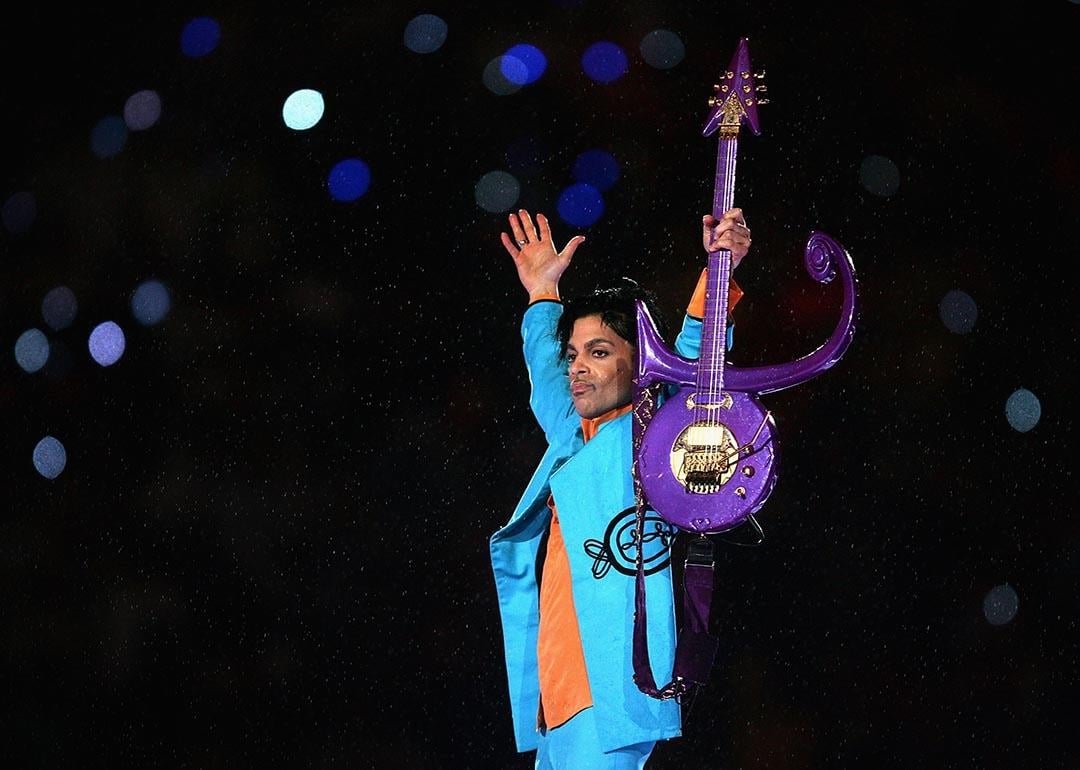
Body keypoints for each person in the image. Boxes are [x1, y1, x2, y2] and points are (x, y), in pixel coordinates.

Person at [490, 207, 751, 769]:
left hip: (609, 702)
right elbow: (546, 378)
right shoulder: (574, 440)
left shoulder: (652, 433)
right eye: (574, 355)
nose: (578, 368)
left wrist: (719, 271)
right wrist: (542, 294)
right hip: (556, 707)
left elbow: (698, 361)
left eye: (600, 352)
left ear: (642, 366)